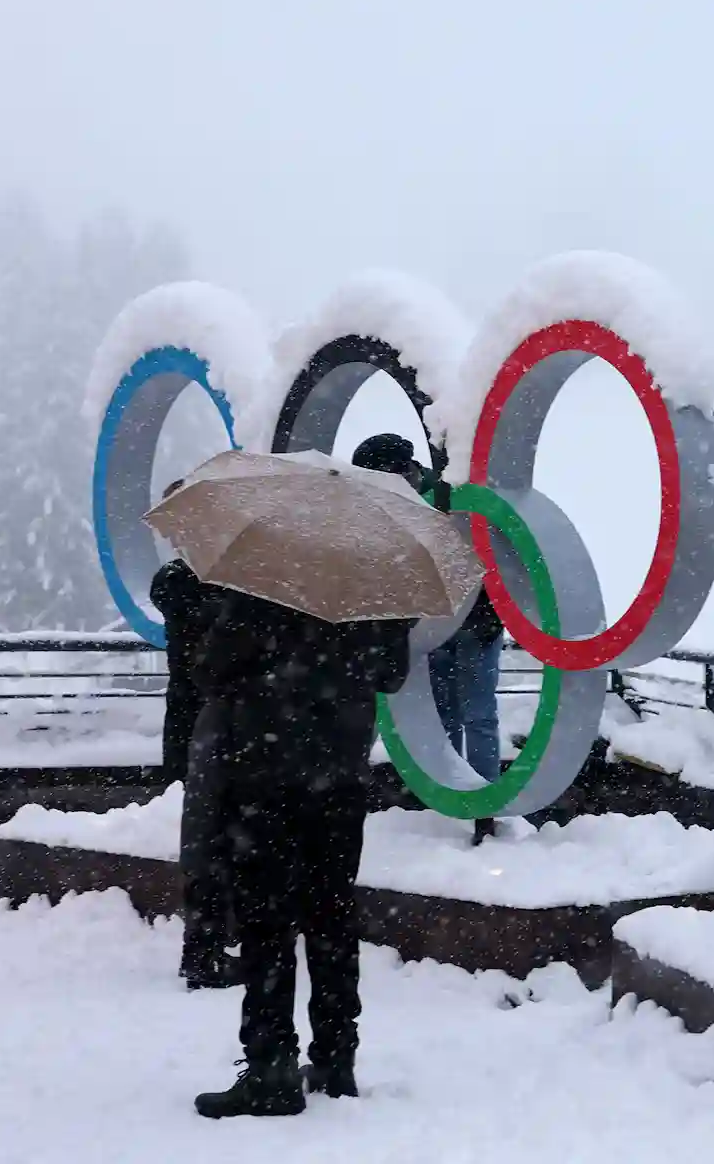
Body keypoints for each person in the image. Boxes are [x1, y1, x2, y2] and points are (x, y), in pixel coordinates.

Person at [191, 589, 411, 1118]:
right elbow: (391, 674)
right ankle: (335, 1059)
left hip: (266, 778)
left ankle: (271, 1070)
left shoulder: (264, 583)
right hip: (340, 779)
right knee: (332, 917)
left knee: (266, 925)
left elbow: (210, 670)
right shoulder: (376, 589)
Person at [351, 434, 504, 844]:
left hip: (473, 623)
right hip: (430, 626)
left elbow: (487, 556)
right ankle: (448, 797)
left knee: (476, 714)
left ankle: (483, 804)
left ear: (400, 471)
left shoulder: (453, 496)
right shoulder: (397, 504)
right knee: (445, 715)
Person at [151, 481, 236, 990]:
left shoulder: (187, 582)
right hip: (206, 729)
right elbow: (209, 658)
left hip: (209, 728)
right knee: (210, 843)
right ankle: (205, 950)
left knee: (212, 841)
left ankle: (210, 944)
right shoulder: (185, 583)